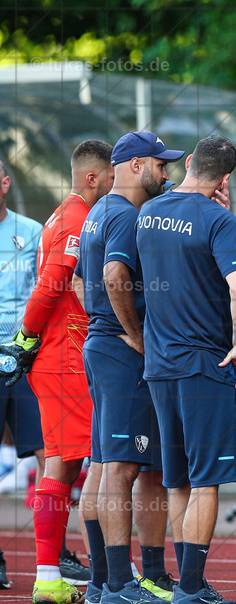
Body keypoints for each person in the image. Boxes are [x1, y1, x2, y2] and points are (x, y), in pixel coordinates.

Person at [136, 135, 236, 604]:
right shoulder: (219, 220)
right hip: (204, 364)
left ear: (188, 163)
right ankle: (189, 588)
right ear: (226, 179)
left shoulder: (149, 212)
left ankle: (190, 583)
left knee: (178, 478)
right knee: (206, 480)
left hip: (160, 365)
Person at [0, 140, 114, 604]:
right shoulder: (75, 217)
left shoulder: (60, 214)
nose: (114, 183)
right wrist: (25, 338)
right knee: (97, 465)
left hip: (62, 356)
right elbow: (50, 285)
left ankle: (53, 576)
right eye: (110, 176)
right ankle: (106, 577)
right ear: (92, 177)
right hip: (66, 358)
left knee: (62, 465)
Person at [74, 132, 184, 603]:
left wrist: (100, 325)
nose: (166, 172)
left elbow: (80, 281)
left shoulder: (99, 210)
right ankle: (118, 583)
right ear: (137, 165)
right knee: (120, 466)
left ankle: (114, 580)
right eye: (161, 165)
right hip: (122, 355)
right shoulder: (125, 214)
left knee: (116, 464)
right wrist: (133, 334)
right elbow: (111, 276)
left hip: (104, 348)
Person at [0, 157, 46, 588]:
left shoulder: (32, 232)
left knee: (51, 454)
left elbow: (45, 291)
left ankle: (53, 556)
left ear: (5, 183)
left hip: (25, 359)